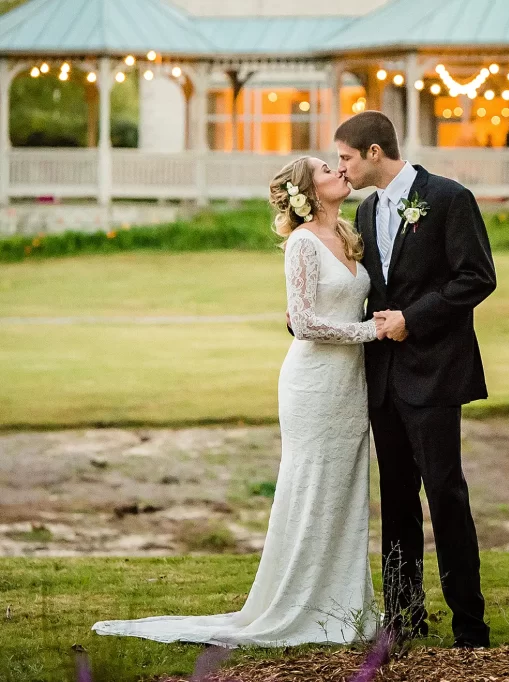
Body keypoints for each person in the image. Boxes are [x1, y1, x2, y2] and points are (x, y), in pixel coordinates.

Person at [93, 157, 384, 647]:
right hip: (313, 384)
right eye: (325, 168)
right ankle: (298, 605)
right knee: (310, 487)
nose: (338, 169)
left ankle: (344, 605)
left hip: (351, 385)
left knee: (344, 489)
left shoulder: (352, 234)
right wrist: (371, 330)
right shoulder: (302, 243)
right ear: (308, 190)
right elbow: (307, 323)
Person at [334, 111, 496, 649]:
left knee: (446, 496)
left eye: (347, 158)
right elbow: (366, 291)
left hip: (435, 374)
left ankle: (470, 626)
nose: (343, 168)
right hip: (383, 380)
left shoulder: (449, 198)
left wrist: (414, 318)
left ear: (375, 152)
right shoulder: (365, 210)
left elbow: (477, 277)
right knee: (397, 500)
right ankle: (403, 619)